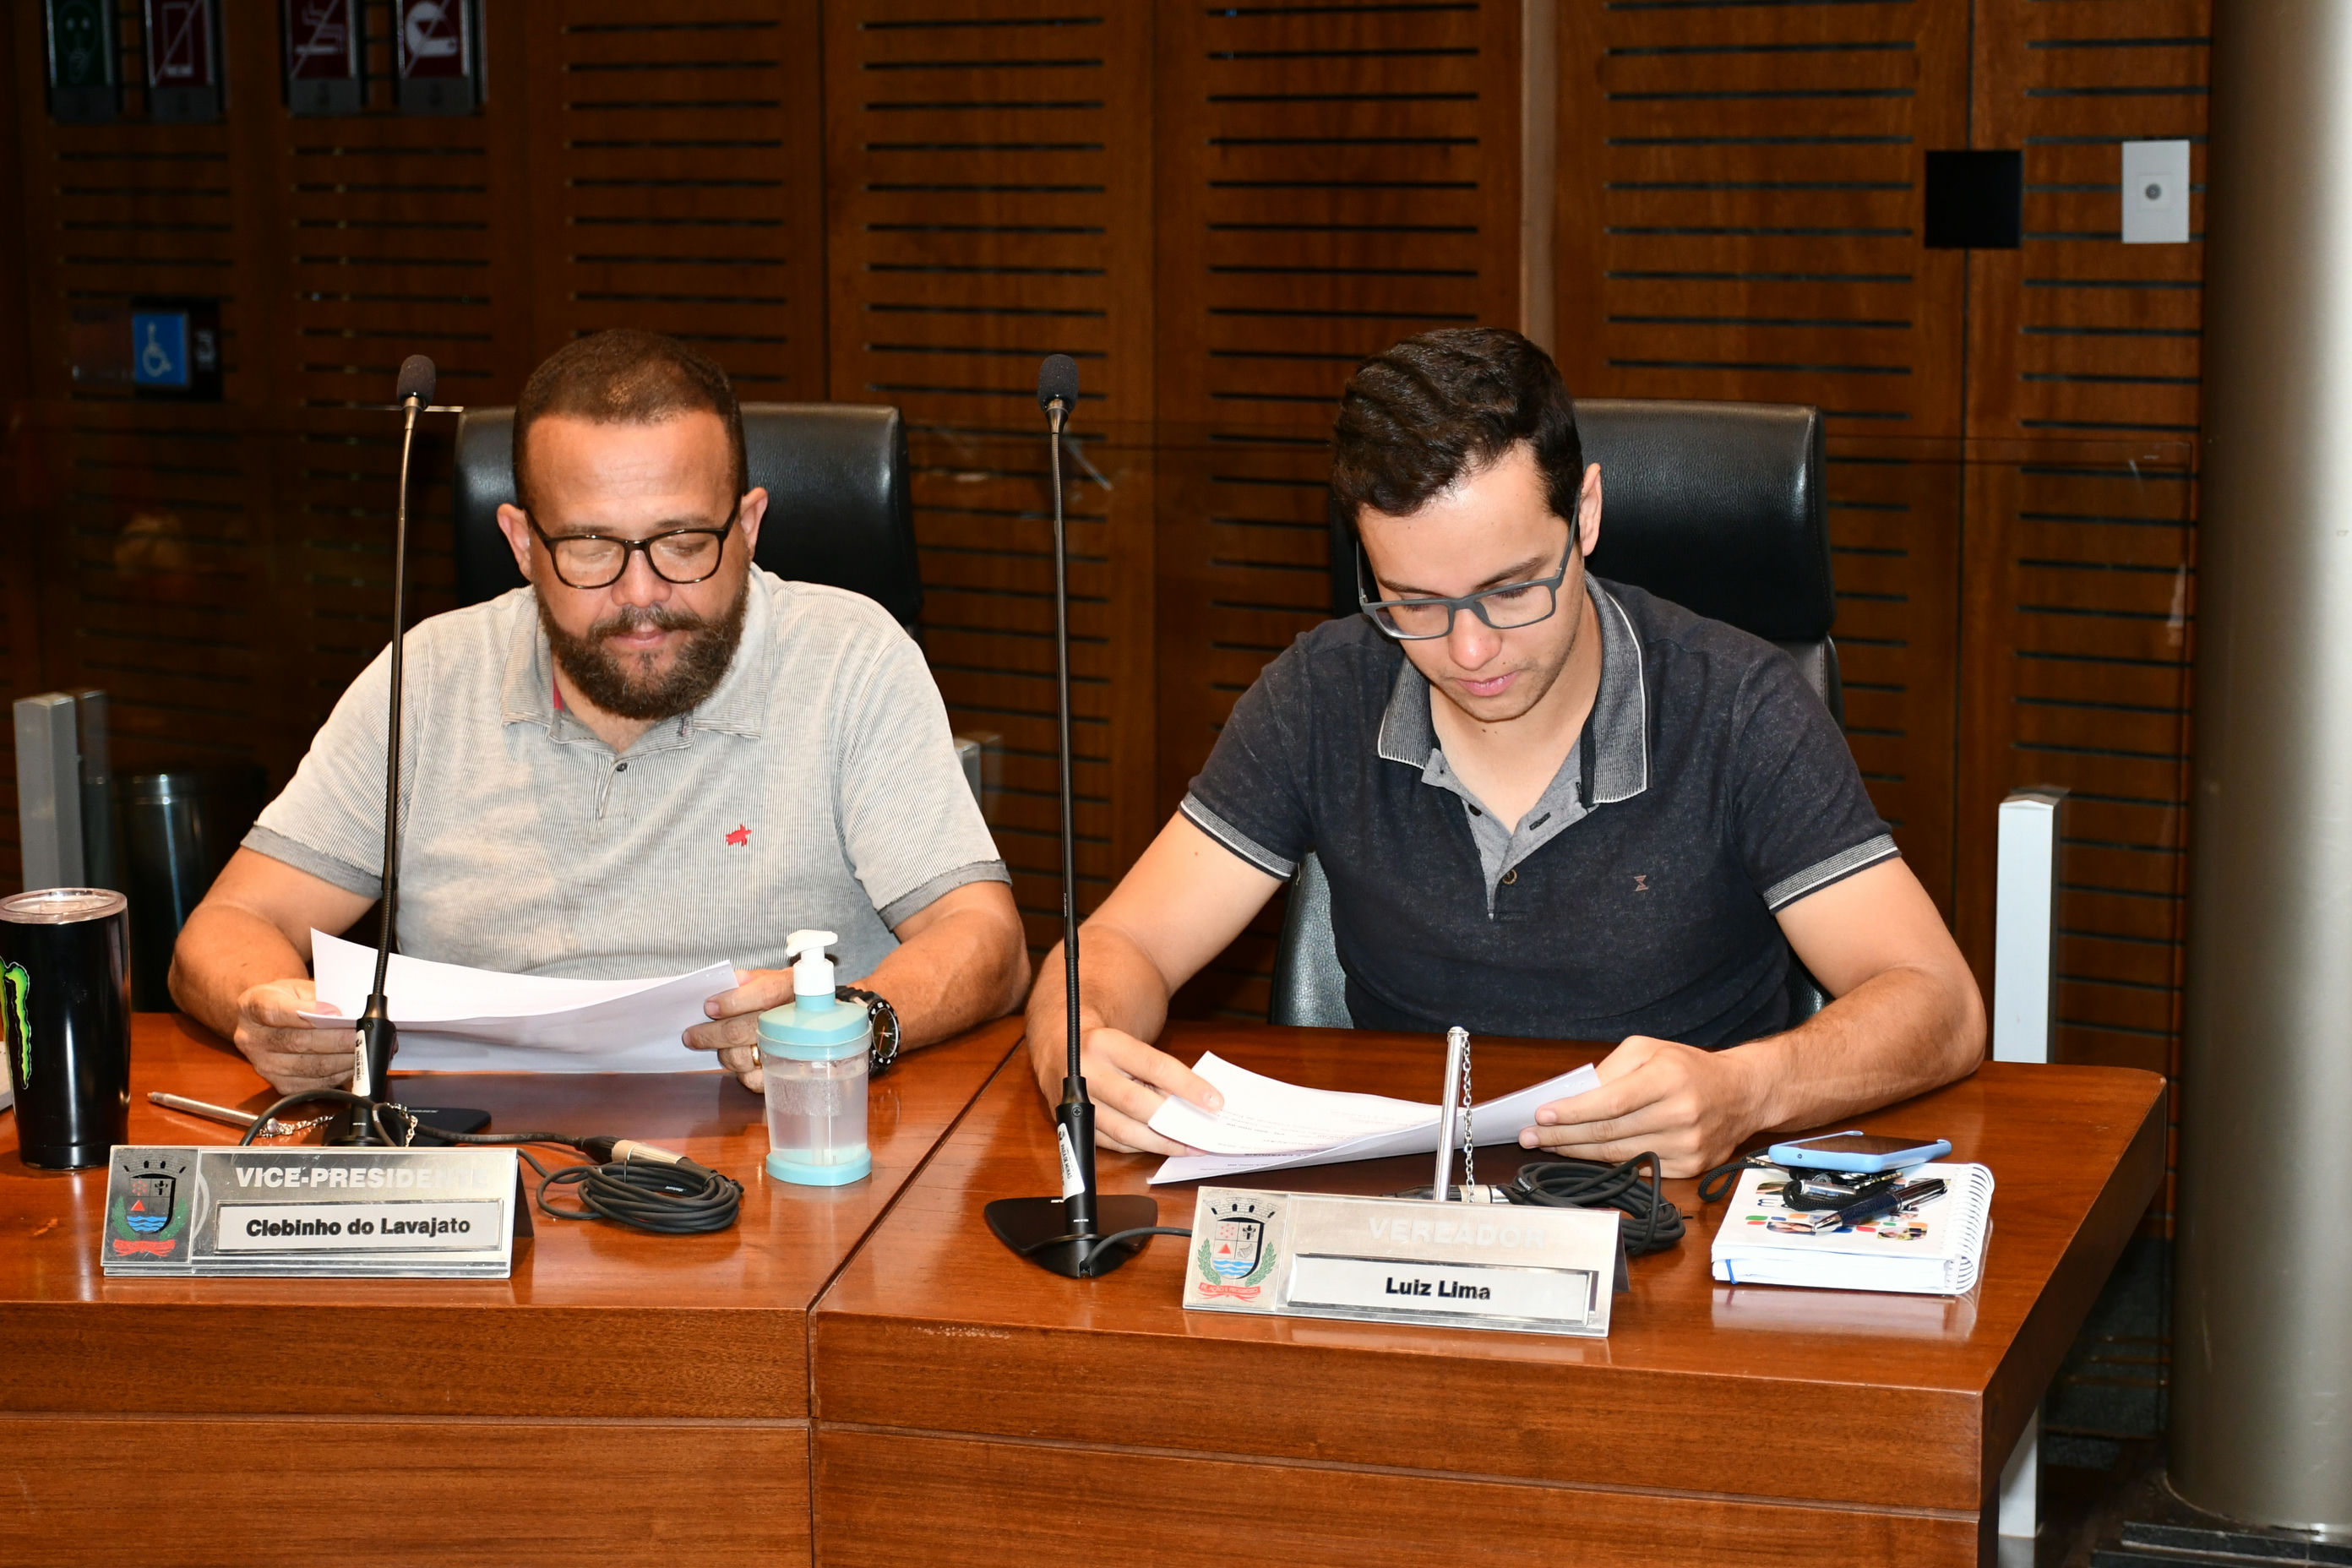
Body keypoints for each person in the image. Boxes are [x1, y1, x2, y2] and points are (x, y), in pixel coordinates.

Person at [1026, 327, 1984, 1175]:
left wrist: (1748, 1090)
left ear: (1587, 514)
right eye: (1414, 603)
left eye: (1512, 589)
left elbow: (1939, 1004)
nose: (1470, 649)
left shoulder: (1738, 705)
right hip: (1410, 1203)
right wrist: (1082, 1045)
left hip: (1673, 1213)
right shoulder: (1321, 693)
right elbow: (1120, 947)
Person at [173, 329, 1028, 1094]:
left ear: (749, 525)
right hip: (490, 1162)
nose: (641, 594)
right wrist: (271, 1011)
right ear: (521, 543)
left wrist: (846, 1018)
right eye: (590, 548)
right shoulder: (428, 678)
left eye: (684, 543)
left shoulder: (850, 659)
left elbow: (986, 940)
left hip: (786, 1147)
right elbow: (231, 924)